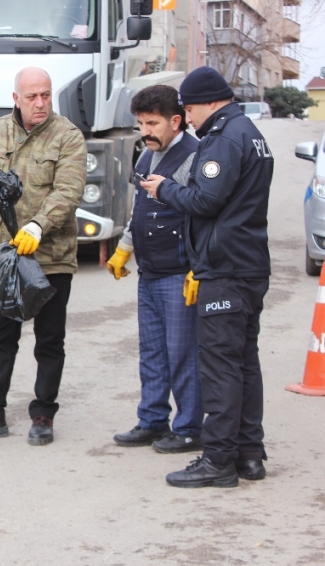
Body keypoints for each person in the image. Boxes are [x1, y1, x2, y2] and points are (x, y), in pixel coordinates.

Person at [141, 67, 273, 488]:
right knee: (243, 365)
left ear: (210, 102)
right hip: (248, 266)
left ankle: (217, 459)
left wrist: (164, 190)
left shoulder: (224, 139)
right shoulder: (250, 133)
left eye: (190, 108)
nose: (189, 117)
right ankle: (249, 454)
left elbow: (205, 200)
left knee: (219, 367)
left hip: (226, 269)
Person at [0, 67, 87, 445]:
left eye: (45, 94)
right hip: (5, 253)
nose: (40, 103)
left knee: (49, 339)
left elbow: (69, 191)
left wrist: (39, 225)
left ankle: (43, 413)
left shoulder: (68, 136)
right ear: (16, 99)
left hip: (51, 254)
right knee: (1, 335)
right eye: (32, 97)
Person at [106, 85, 203, 454]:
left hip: (180, 273)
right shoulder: (146, 157)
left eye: (153, 123)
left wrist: (199, 267)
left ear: (176, 121)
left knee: (182, 355)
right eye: (141, 123)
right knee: (152, 353)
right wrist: (124, 248)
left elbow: (205, 214)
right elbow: (139, 211)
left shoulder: (195, 156)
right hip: (149, 271)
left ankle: (190, 427)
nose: (145, 130)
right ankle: (152, 420)